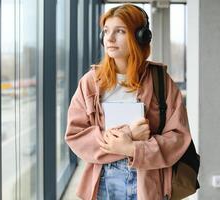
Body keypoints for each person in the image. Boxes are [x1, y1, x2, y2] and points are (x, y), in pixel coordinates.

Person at [65, 4, 191, 200]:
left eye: (120, 31)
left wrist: (132, 148)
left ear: (141, 36)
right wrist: (128, 135)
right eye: (106, 31)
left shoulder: (160, 81)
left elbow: (179, 137)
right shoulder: (90, 82)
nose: (110, 38)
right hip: (104, 180)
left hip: (149, 179)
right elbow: (75, 134)